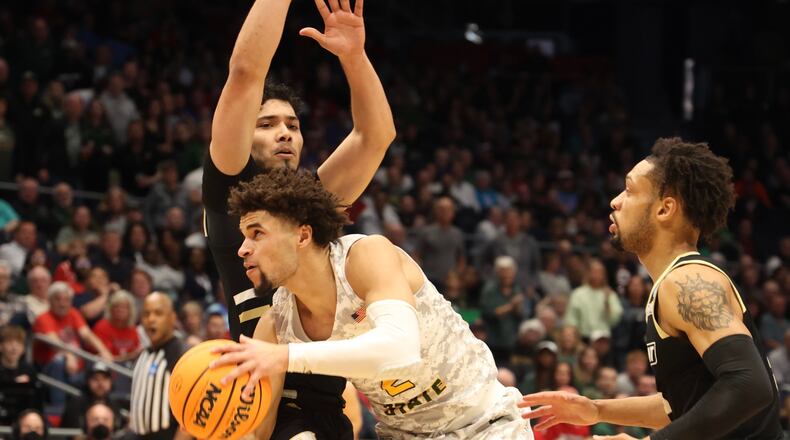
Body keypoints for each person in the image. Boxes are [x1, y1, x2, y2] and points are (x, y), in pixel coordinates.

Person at [211, 168, 533, 439]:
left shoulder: (365, 257)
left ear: (302, 236)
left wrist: (286, 356)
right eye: (243, 236)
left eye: (257, 234)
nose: (242, 249)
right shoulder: (276, 324)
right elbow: (258, 430)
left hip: (483, 424)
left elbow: (399, 348)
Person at [202, 0, 394, 437]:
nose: (285, 131)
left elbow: (375, 136)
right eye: (267, 124)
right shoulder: (228, 188)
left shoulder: (313, 203)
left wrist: (354, 57)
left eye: (292, 124)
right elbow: (246, 73)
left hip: (325, 404)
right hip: (258, 399)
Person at [521, 138, 782, 439]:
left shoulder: (687, 281)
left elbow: (749, 384)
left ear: (665, 209)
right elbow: (687, 406)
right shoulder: (674, 282)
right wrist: (597, 410)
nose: (615, 201)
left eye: (630, 190)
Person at [129, 292, 189, 439]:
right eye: (146, 314)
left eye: (158, 313)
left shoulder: (182, 353)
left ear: (172, 318)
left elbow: (194, 409)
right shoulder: (143, 354)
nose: (151, 319)